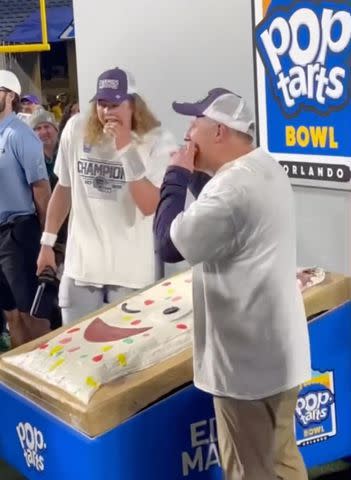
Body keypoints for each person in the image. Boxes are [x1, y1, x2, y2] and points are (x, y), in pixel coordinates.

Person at [154, 88, 310, 480]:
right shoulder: (263, 166)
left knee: (248, 469)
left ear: (219, 131)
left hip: (245, 369)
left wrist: (175, 176)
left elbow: (167, 245)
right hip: (281, 356)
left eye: (195, 122)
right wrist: (193, 176)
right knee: (282, 461)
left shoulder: (230, 190)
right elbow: (215, 214)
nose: (187, 131)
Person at [37, 67, 177, 325]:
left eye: (115, 104)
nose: (107, 112)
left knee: (126, 358)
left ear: (133, 104)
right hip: (81, 266)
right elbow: (64, 188)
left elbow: (149, 205)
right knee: (75, 351)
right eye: (102, 103)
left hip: (131, 272)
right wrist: (47, 243)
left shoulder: (158, 140)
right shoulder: (76, 129)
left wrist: (125, 148)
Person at [0, 70, 51, 347]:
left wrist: (47, 241)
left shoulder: (20, 135)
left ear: (10, 96)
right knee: (11, 315)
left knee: (31, 313)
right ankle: (22, 379)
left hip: (19, 233)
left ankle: (47, 374)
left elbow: (42, 189)